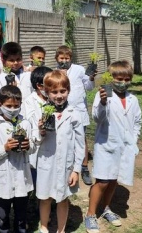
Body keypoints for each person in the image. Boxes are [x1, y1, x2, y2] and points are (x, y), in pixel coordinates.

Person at [84, 60, 142, 233]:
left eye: (126, 79)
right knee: (102, 181)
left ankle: (107, 208)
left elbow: (137, 121)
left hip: (125, 147)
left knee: (114, 180)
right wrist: (102, 103)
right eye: (118, 78)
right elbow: (97, 118)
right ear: (111, 78)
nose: (122, 82)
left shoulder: (133, 99)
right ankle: (90, 214)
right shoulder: (104, 94)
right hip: (106, 145)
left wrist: (134, 140)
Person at [36, 70, 85, 233]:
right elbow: (34, 141)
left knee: (63, 199)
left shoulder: (74, 114)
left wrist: (76, 170)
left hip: (66, 165)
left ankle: (61, 229)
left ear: (68, 91)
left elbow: (80, 145)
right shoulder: (42, 112)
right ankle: (44, 226)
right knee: (45, 198)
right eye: (54, 92)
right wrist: (40, 131)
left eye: (62, 91)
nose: (59, 95)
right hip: (46, 163)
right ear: (46, 92)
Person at [0, 85, 34, 233]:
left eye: (16, 106)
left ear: (20, 104)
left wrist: (28, 146)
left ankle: (21, 229)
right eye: (8, 106)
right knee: (3, 214)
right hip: (4, 178)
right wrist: (5, 148)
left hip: (22, 177)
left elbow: (33, 147)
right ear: (0, 105)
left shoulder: (25, 124)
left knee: (21, 214)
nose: (12, 109)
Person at [55, 45, 96, 186]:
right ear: (57, 59)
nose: (64, 61)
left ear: (71, 58)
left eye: (67, 58)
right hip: (62, 112)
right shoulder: (54, 72)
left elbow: (89, 87)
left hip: (79, 111)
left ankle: (84, 168)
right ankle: (66, 166)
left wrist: (91, 78)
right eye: (62, 58)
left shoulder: (79, 70)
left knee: (81, 139)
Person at [22, 66, 53, 192]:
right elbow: (31, 125)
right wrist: (41, 129)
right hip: (37, 146)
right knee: (37, 178)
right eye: (50, 84)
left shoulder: (54, 99)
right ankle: (37, 203)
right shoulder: (29, 102)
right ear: (39, 86)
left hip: (51, 145)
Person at [0, 42, 32, 107]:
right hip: (10, 114)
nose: (15, 63)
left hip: (27, 114)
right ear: (4, 61)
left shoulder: (28, 75)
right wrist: (7, 92)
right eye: (11, 60)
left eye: (18, 59)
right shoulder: (0, 78)